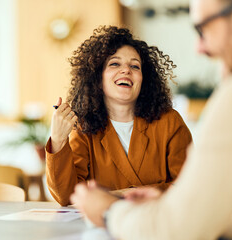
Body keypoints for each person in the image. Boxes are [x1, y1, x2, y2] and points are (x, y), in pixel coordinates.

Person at [70, 0, 232, 239]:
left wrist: (109, 211)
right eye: (114, 64)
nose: (199, 47)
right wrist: (168, 204)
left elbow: (177, 229)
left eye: (202, 28)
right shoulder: (81, 126)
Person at [46, 25, 192, 206]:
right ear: (97, 77)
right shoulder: (84, 126)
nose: (126, 70)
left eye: (135, 66)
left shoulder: (170, 121)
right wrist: (58, 140)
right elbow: (67, 197)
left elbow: (189, 186)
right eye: (115, 63)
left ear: (143, 79)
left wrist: (130, 194)